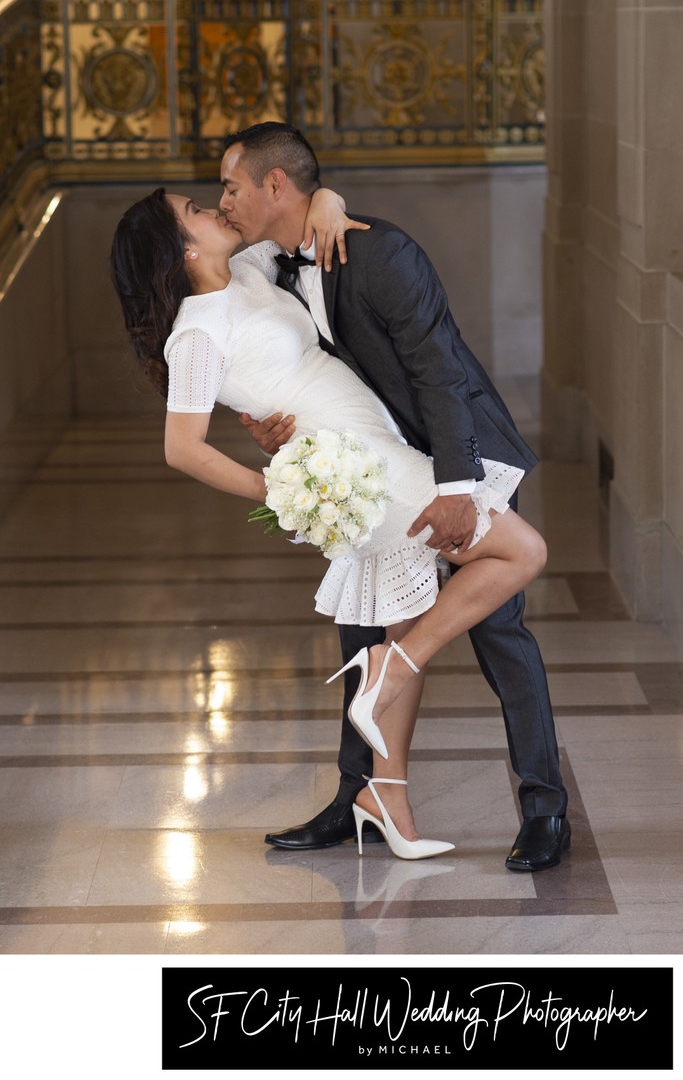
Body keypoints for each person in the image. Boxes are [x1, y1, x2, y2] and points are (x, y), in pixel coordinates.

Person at [110, 185, 549, 863]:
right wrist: (274, 489)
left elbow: (293, 213)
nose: (213, 206)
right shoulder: (196, 331)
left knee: (404, 613)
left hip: (371, 446)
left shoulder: (249, 271)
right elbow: (182, 447)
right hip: (358, 465)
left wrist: (324, 196)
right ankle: (388, 673)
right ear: (183, 248)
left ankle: (385, 796)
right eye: (196, 209)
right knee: (520, 552)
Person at [219, 121, 570, 873]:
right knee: (363, 628)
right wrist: (272, 431)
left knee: (498, 632)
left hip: (457, 457)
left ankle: (544, 809)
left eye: (232, 186)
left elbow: (439, 372)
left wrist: (456, 490)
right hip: (371, 470)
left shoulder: (380, 251)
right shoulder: (268, 269)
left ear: (275, 184)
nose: (225, 202)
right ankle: (360, 799)